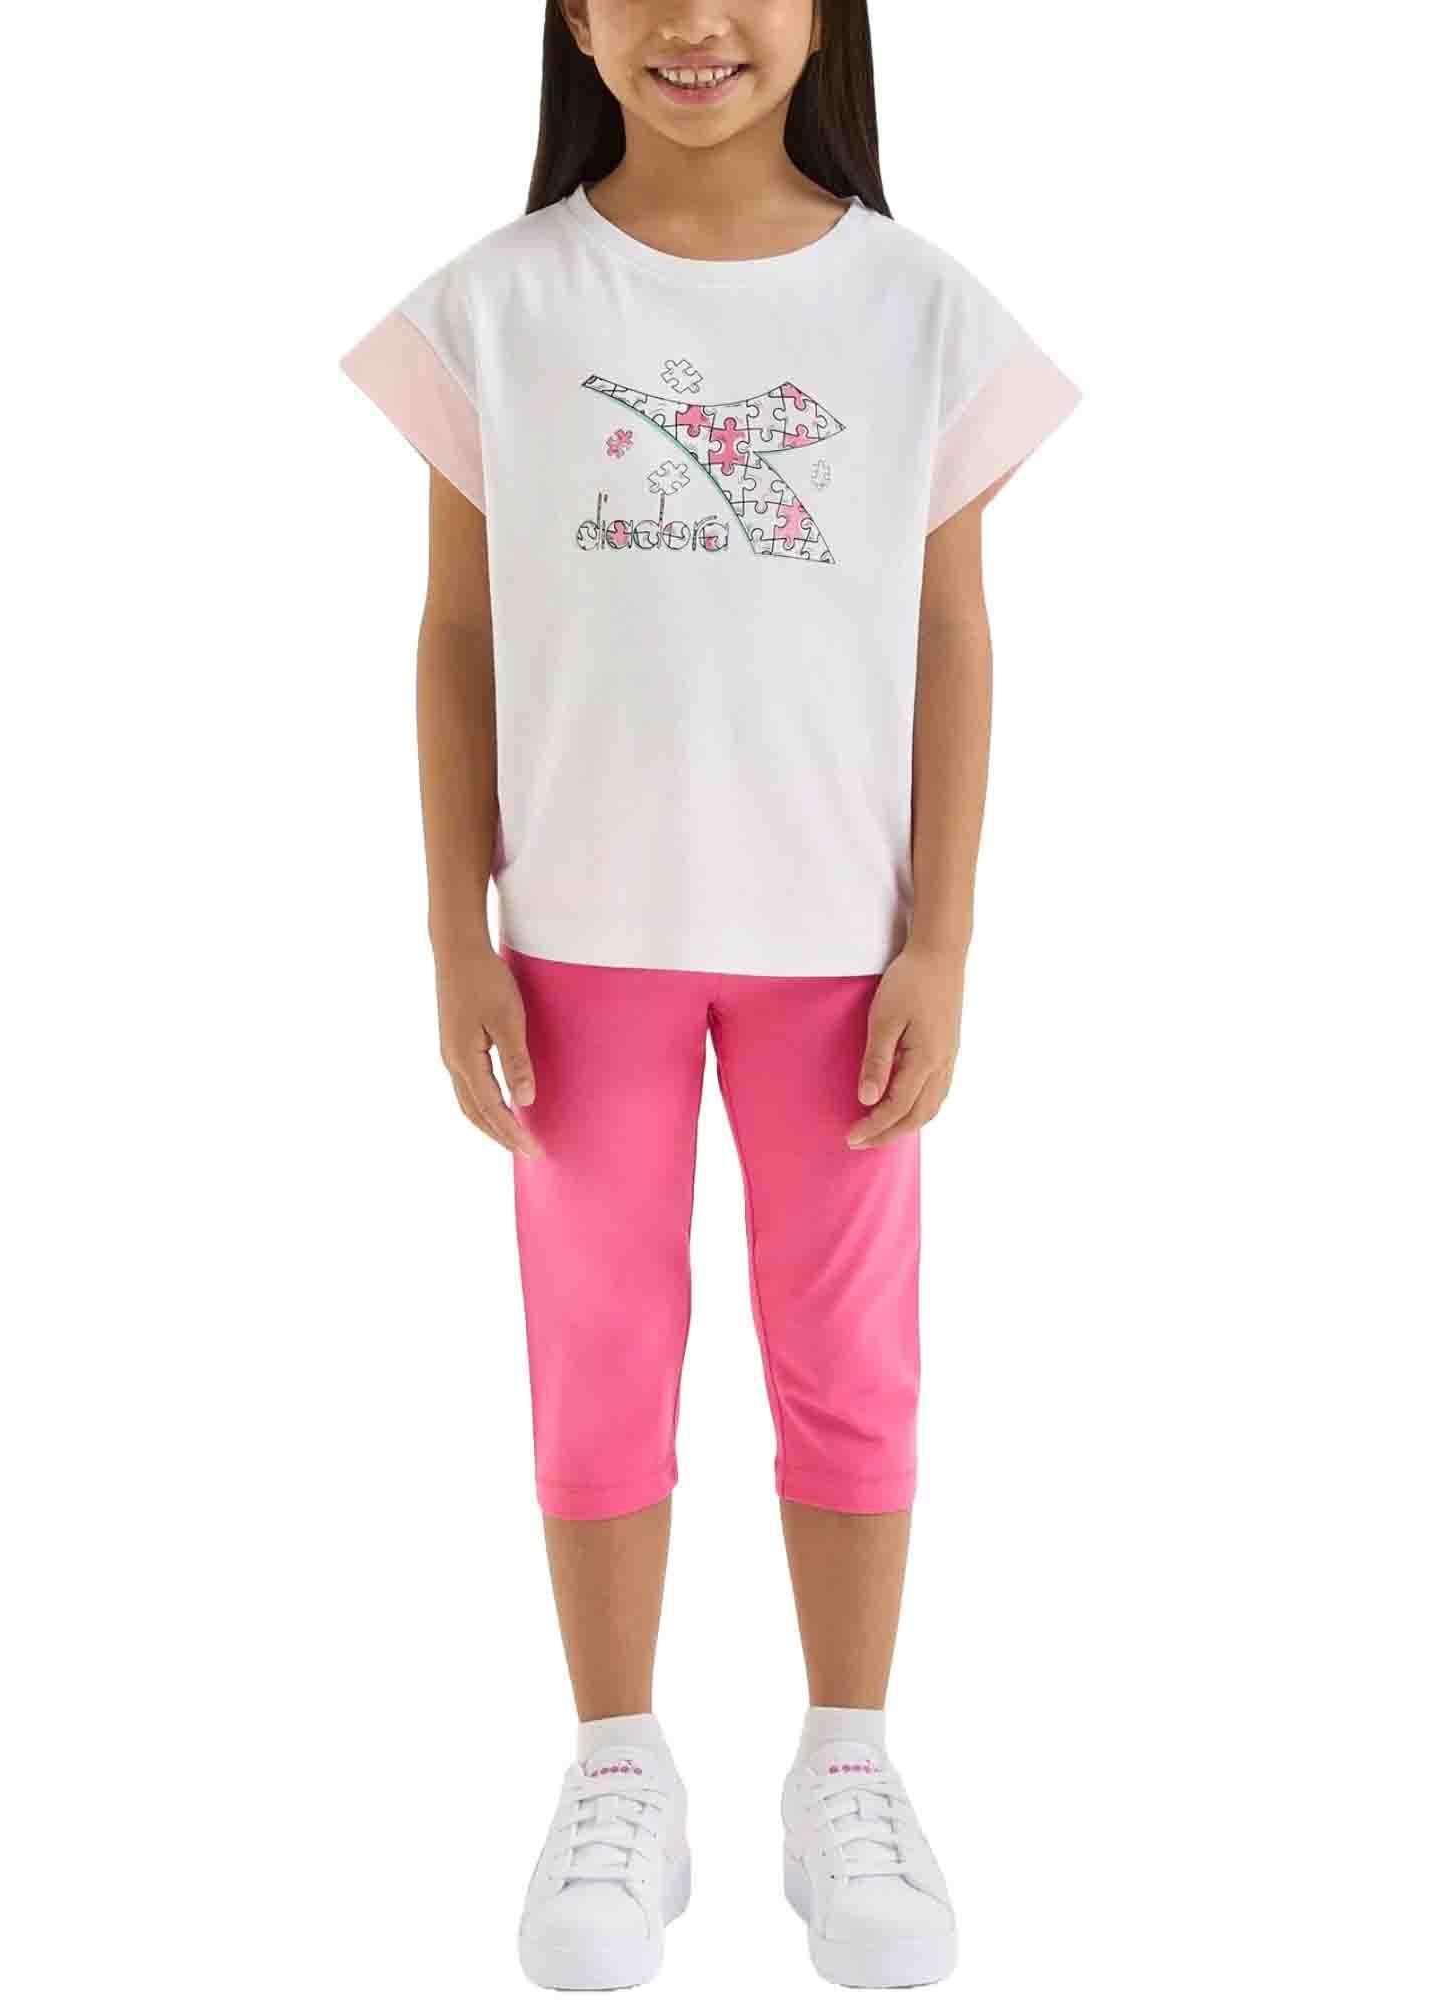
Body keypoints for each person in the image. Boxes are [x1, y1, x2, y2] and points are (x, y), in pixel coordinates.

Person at [340, 2, 1079, 1987]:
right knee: (597, 1347)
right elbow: (456, 629)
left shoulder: (918, 310)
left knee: (849, 1349)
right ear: (573, 17)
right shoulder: (499, 306)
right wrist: (455, 928)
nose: (695, 21)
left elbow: (951, 630)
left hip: (838, 946)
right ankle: (617, 1764)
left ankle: (847, 1762)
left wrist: (942, 937)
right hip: (580, 936)